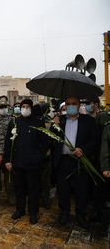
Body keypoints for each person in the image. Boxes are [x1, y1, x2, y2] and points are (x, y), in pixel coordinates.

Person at [51, 96, 99, 229]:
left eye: (74, 104)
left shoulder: (88, 121)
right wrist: (55, 125)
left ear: (79, 105)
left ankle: (81, 215)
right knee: (63, 189)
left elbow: (95, 140)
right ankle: (64, 213)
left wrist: (83, 149)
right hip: (63, 160)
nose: (70, 106)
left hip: (80, 160)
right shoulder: (61, 120)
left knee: (81, 189)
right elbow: (52, 138)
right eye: (68, 104)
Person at [4, 99, 49, 224]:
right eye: (22, 106)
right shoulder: (14, 122)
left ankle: (33, 212)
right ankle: (20, 209)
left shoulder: (38, 123)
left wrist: (38, 156)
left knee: (33, 189)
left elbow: (45, 144)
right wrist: (7, 160)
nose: (24, 108)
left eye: (27, 106)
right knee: (19, 188)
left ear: (31, 108)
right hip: (17, 162)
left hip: (32, 163)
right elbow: (8, 143)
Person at [0, 99, 15, 205]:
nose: (3, 109)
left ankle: (10, 194)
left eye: (5, 107)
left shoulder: (12, 120)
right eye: (1, 108)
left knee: (9, 176)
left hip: (8, 152)